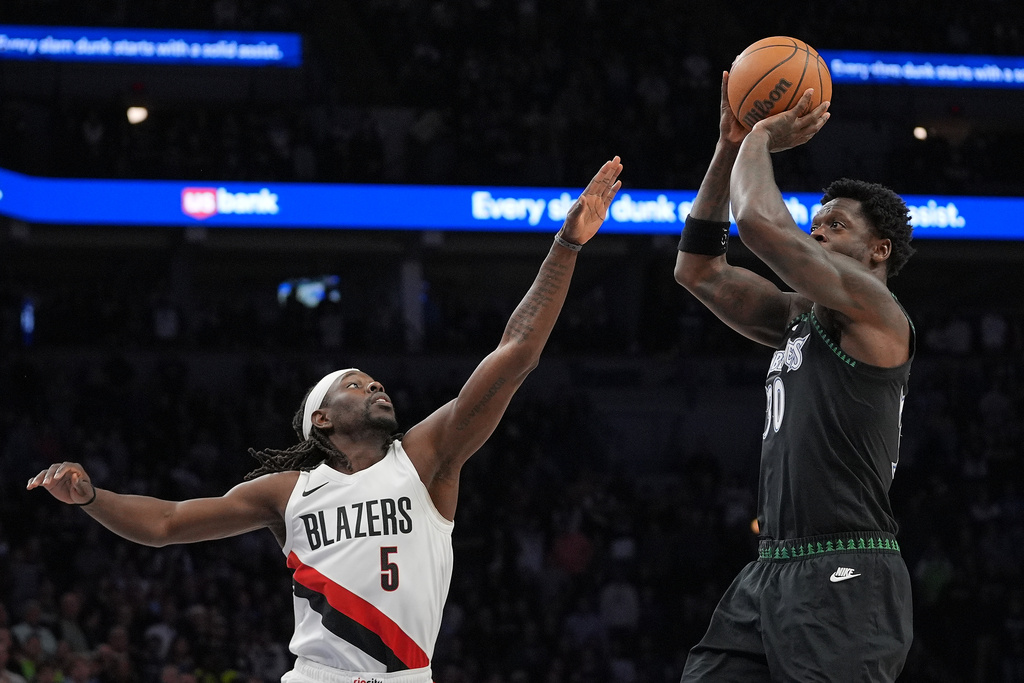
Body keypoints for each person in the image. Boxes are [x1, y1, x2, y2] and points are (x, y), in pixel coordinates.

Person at [28, 156, 623, 683]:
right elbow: (166, 522)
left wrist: (565, 246)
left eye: (375, 381)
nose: (375, 386)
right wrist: (90, 497)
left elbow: (515, 353)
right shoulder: (285, 493)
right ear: (323, 419)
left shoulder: (426, 459)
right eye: (355, 384)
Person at [674, 72, 915, 681]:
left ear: (878, 251)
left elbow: (759, 223)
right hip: (771, 567)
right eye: (816, 221)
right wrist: (728, 145)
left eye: (834, 225)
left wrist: (759, 134)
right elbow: (698, 269)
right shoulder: (798, 317)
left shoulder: (877, 314)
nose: (815, 230)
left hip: (848, 567)